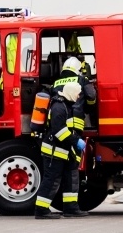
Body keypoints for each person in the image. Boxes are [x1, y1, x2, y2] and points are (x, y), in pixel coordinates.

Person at [34, 81, 89, 219]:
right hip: (54, 151)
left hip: (64, 150)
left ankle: (71, 208)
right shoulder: (59, 107)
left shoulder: (66, 105)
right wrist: (76, 141)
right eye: (77, 94)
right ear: (71, 93)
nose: (78, 97)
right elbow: (59, 132)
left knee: (71, 178)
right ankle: (41, 210)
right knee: (51, 180)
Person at [52, 56, 97, 134]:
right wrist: (88, 108)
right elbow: (91, 95)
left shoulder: (56, 82)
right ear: (77, 69)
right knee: (74, 142)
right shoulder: (82, 80)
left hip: (58, 121)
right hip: (75, 122)